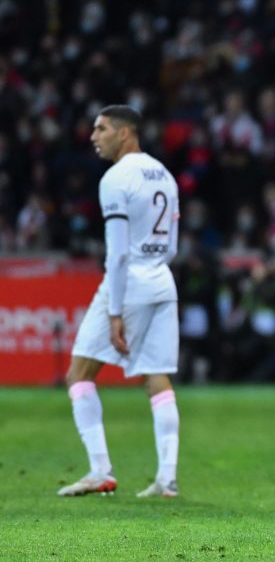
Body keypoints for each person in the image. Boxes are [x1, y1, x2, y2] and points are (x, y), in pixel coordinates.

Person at [57, 105, 182, 498]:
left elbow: (118, 253)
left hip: (129, 283)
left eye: (102, 128)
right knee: (157, 377)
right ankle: (167, 478)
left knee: (79, 374)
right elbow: (174, 246)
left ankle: (100, 471)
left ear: (125, 134)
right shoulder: (164, 174)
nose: (94, 136)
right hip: (163, 279)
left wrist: (114, 311)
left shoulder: (116, 179)